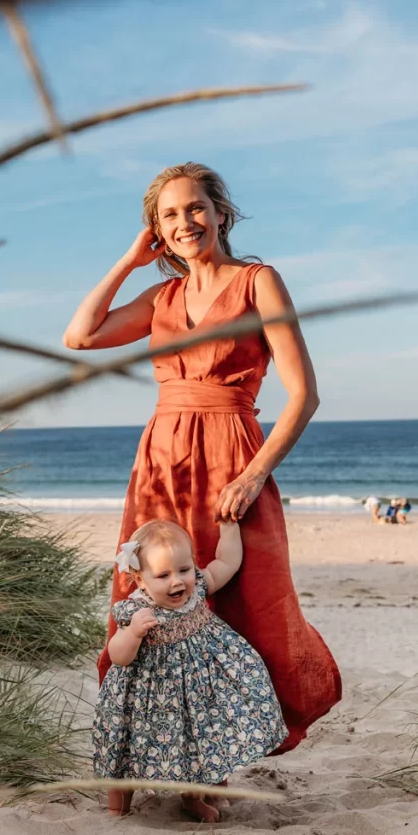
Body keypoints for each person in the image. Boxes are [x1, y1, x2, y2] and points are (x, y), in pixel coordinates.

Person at [64, 161, 341, 760]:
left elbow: (304, 395)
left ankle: (219, 757)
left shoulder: (258, 281)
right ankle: (154, 750)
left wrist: (254, 473)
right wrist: (129, 261)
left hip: (232, 459)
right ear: (156, 231)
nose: (185, 221)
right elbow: (80, 337)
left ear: (220, 211)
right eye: (169, 215)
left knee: (245, 604)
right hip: (161, 462)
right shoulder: (161, 295)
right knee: (150, 602)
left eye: (195, 207)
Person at [93, 519, 287, 821]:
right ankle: (118, 806)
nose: (177, 582)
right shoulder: (136, 610)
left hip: (199, 689)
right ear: (140, 580)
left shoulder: (196, 589)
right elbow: (118, 657)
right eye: (163, 575)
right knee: (126, 746)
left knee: (198, 742)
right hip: (153, 699)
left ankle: (193, 798)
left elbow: (226, 563)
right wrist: (133, 633)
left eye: (183, 570)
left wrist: (229, 529)